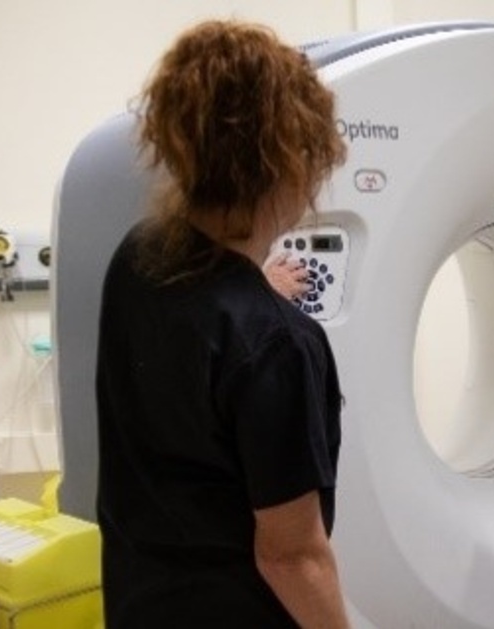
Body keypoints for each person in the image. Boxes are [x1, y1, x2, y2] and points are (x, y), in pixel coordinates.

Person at [94, 19, 349, 628]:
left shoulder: (140, 257)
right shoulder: (278, 345)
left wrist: (256, 291)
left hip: (142, 600)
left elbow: (203, 328)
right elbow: (291, 556)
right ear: (293, 161)